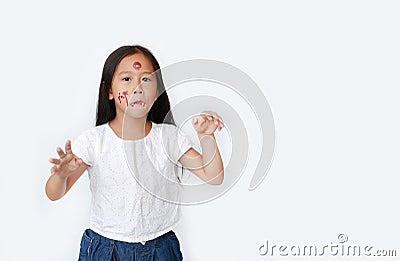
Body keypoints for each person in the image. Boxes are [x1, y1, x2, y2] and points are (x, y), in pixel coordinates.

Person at [45, 45, 225, 260]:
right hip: (105, 247)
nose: (138, 87)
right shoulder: (94, 141)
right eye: (127, 79)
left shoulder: (169, 137)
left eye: (146, 79)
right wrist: (61, 175)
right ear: (109, 92)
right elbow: (54, 193)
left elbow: (214, 176)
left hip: (161, 248)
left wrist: (206, 136)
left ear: (157, 92)